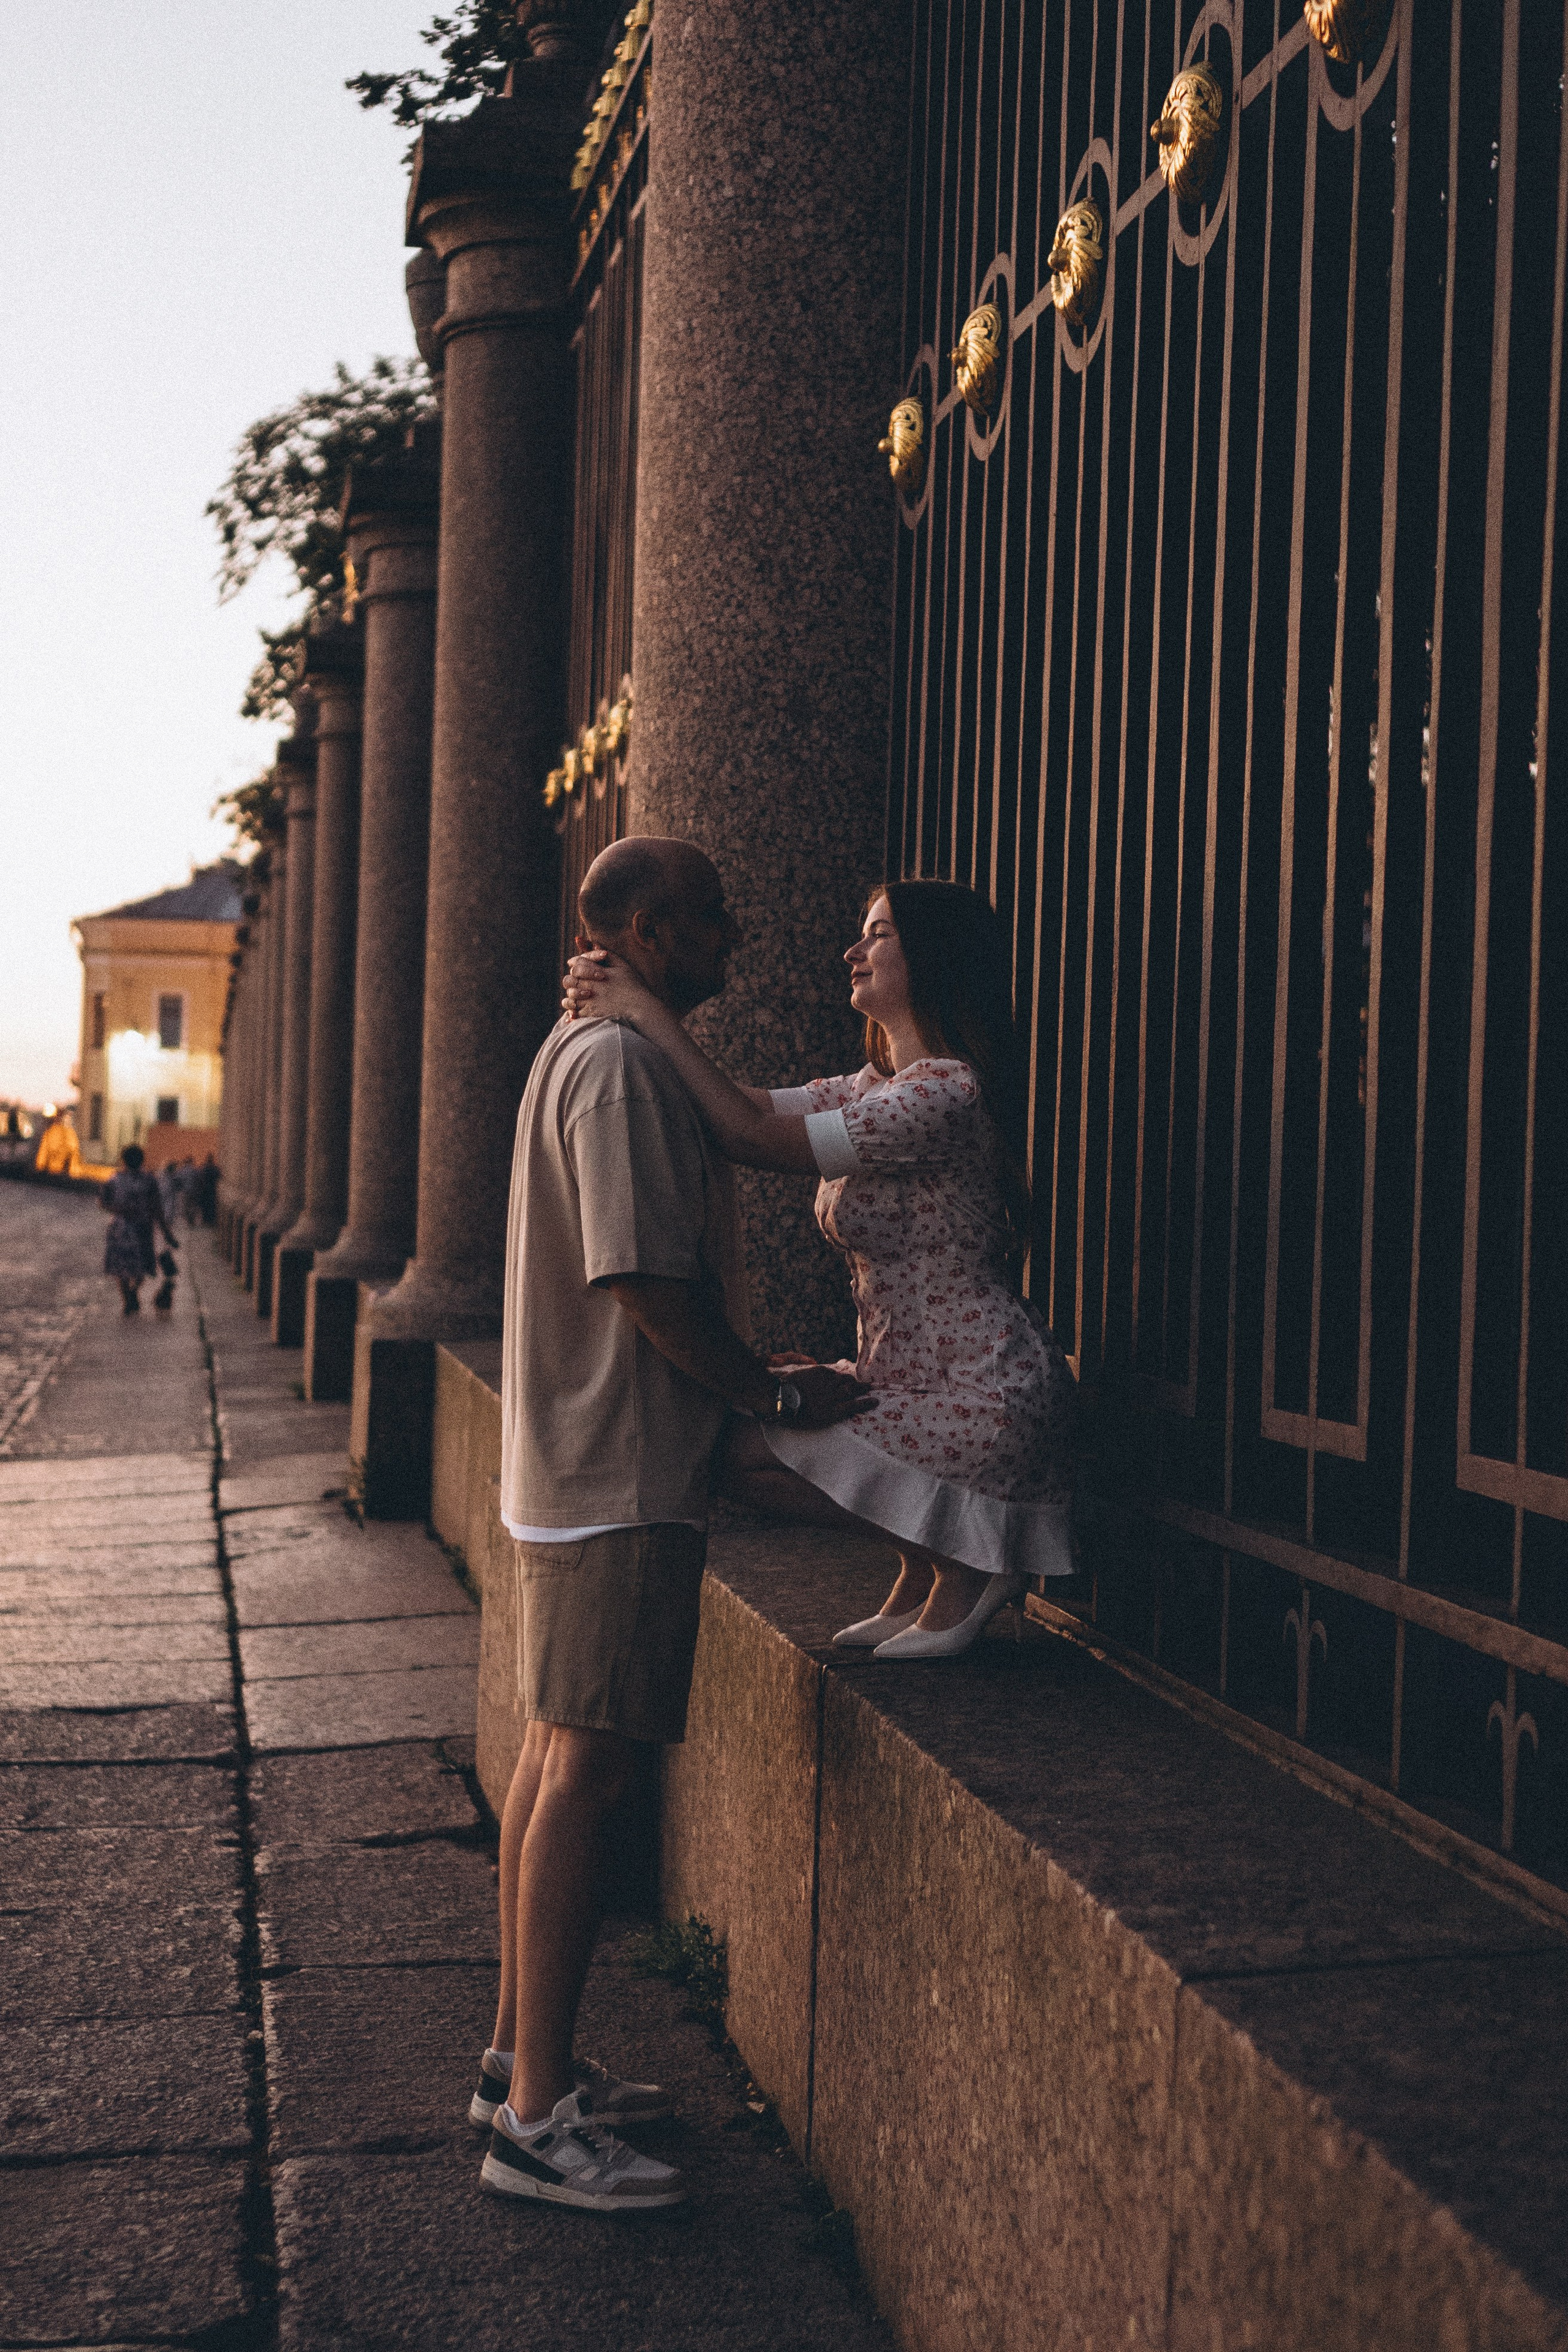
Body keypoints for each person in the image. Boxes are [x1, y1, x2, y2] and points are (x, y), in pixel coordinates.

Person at [478, 835, 873, 2214]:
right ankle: (534, 2126)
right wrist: (764, 1388)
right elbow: (643, 1277)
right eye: (711, 916)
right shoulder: (624, 1067)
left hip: (571, 1460)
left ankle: (521, 2062)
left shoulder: (585, 1047)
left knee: (549, 1755)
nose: (737, 935)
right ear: (647, 929)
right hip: (618, 1467)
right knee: (584, 1772)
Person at [566, 876, 1077, 1659]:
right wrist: (625, 1007)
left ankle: (970, 1559)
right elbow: (737, 1103)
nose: (853, 951)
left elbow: (749, 1138)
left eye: (877, 934)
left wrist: (643, 1012)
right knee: (738, 1430)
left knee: (737, 1452)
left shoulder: (947, 1093)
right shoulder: (873, 1087)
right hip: (910, 1377)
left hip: (982, 1392)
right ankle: (924, 1558)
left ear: (934, 957)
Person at [100, 1144, 178, 1316]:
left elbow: (103, 1202)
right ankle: (134, 1292)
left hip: (119, 1229)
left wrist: (118, 1209)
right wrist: (167, 1233)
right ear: (142, 1160)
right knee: (141, 1265)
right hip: (142, 1227)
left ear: (123, 1160)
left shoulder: (114, 1179)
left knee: (121, 1267)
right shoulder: (149, 1180)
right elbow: (157, 1207)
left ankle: (128, 1297)